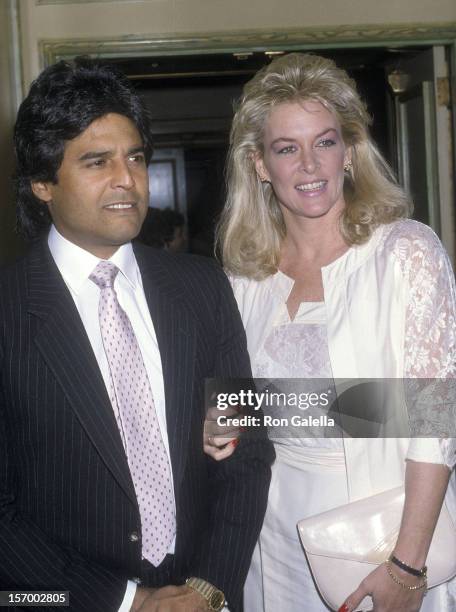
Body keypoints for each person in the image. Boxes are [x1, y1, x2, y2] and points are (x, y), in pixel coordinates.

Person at [0, 57, 274, 612]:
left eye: (136, 158)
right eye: (97, 162)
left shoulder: (201, 286)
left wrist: (208, 586)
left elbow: (247, 449)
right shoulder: (8, 312)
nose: (126, 180)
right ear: (42, 183)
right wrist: (130, 601)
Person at [205, 53, 456, 611]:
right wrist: (217, 419)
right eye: (287, 148)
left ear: (349, 152)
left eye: (324, 141)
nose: (310, 165)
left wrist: (408, 566)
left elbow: (435, 420)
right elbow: (231, 405)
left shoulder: (405, 253)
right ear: (260, 165)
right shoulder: (244, 277)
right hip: (267, 537)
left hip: (381, 537)